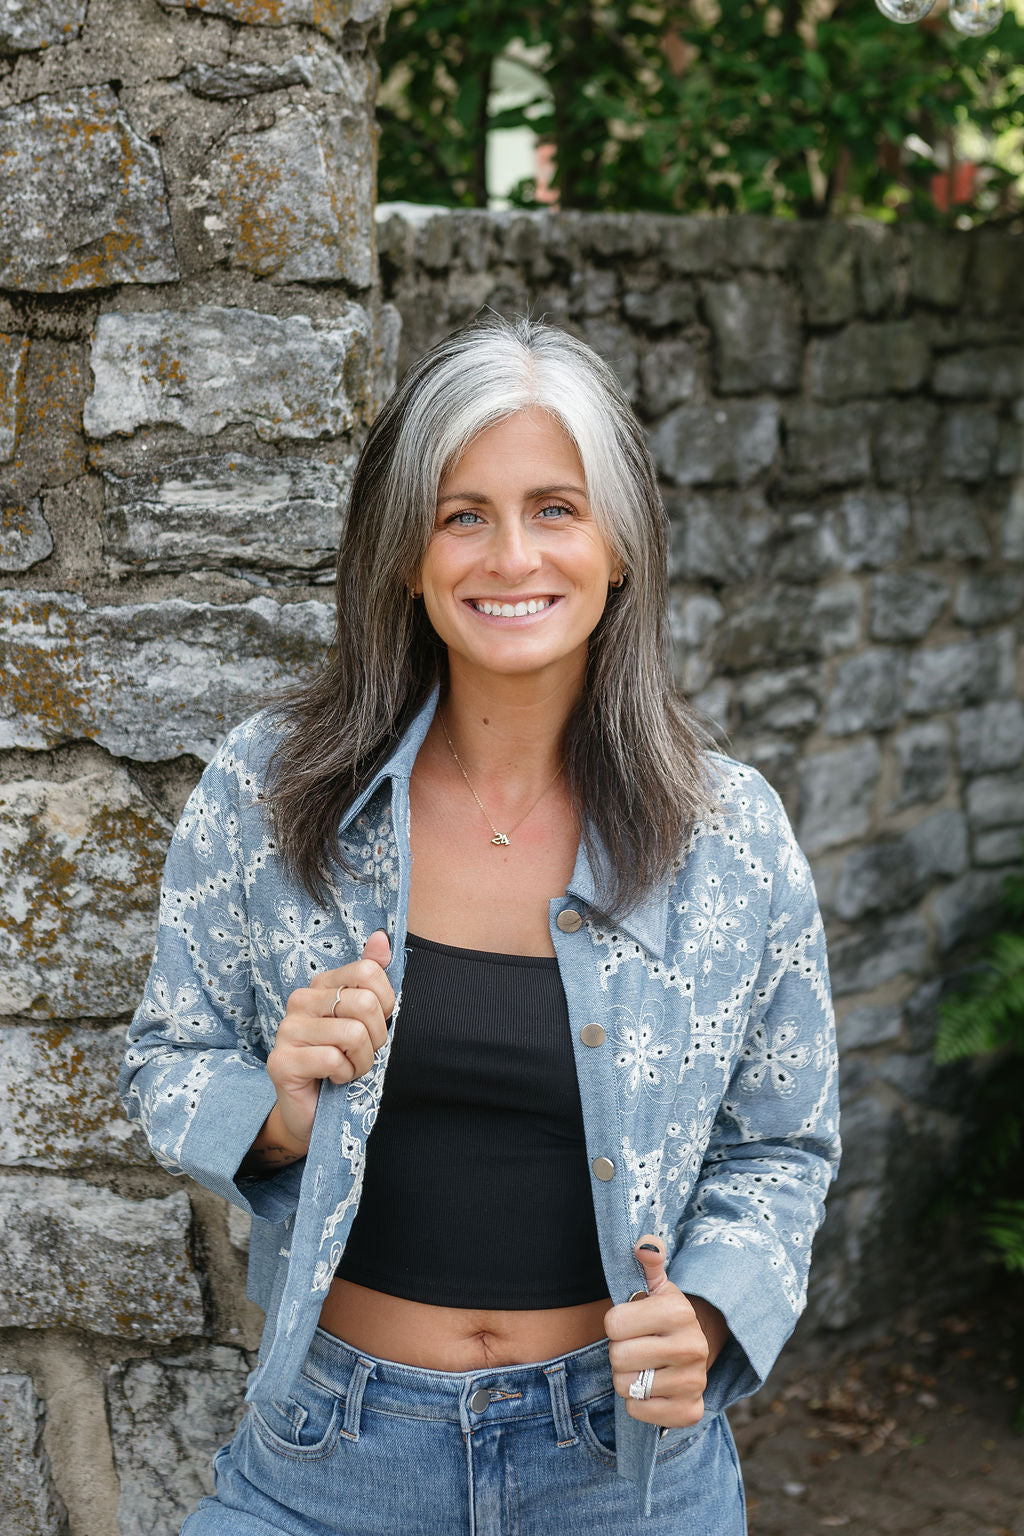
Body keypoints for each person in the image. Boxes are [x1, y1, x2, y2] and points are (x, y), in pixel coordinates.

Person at [119, 315, 840, 1536]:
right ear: (406, 555)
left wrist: (711, 1313)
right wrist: (281, 1116)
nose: (512, 556)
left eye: (555, 509)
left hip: (625, 1473)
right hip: (328, 1456)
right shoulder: (270, 790)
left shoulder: (729, 835)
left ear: (620, 547)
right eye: (463, 515)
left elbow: (781, 1145)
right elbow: (166, 1059)